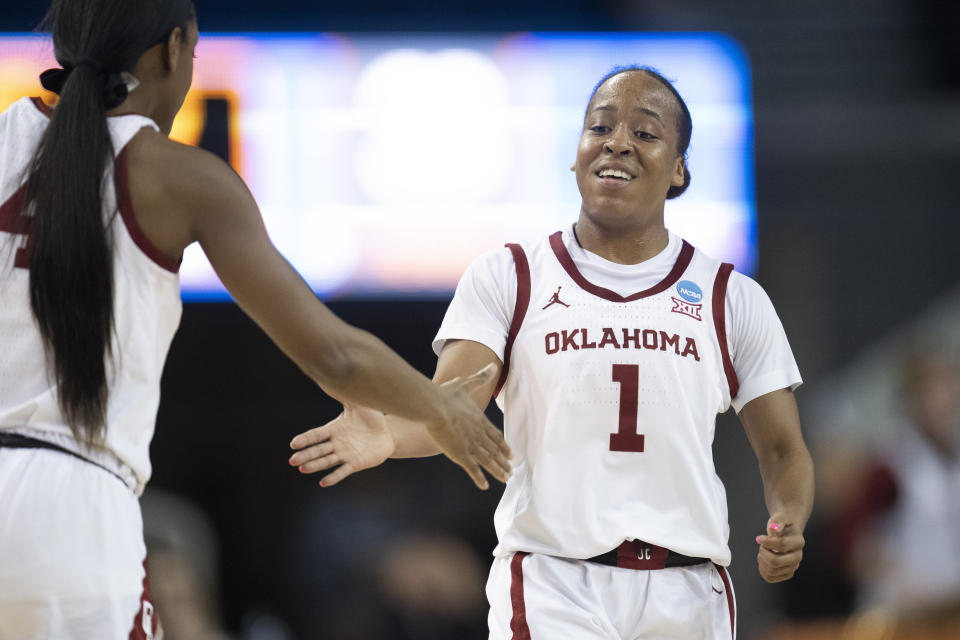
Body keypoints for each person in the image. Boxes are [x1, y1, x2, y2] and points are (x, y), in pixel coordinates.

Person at [0, 1, 510, 638]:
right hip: (73, 511)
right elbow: (336, 356)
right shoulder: (182, 176)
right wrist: (442, 409)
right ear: (174, 49)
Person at [290, 66, 815, 638]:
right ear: (576, 156)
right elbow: (453, 409)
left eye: (644, 132)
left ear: (679, 168)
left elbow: (784, 451)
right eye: (600, 127)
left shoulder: (730, 297)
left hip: (688, 588)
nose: (617, 141)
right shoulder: (510, 276)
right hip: (553, 583)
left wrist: (789, 518)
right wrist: (391, 434)